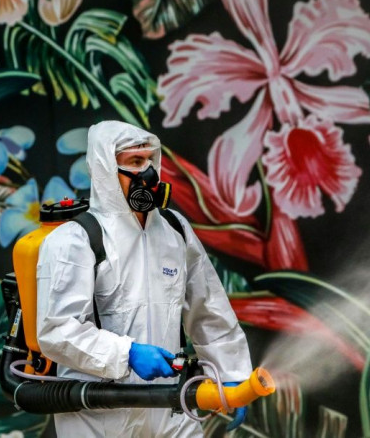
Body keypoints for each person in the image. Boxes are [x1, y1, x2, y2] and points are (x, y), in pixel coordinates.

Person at [36, 121, 253, 437]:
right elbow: (57, 330)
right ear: (106, 168)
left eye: (151, 160)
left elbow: (208, 308)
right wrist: (128, 353)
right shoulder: (75, 240)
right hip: (100, 417)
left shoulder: (173, 230)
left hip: (170, 408)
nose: (149, 172)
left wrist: (231, 373)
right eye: (135, 162)